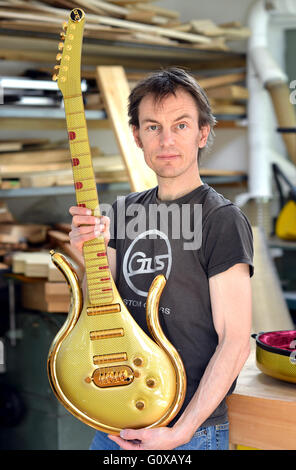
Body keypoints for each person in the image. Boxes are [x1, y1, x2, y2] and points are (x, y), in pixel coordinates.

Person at [69, 67, 253, 451]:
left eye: (181, 125)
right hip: (113, 423)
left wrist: (180, 433)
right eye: (153, 127)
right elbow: (98, 312)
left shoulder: (220, 220)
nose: (166, 140)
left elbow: (235, 342)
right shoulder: (121, 211)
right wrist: (91, 260)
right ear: (136, 136)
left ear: (203, 133)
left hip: (187, 434)